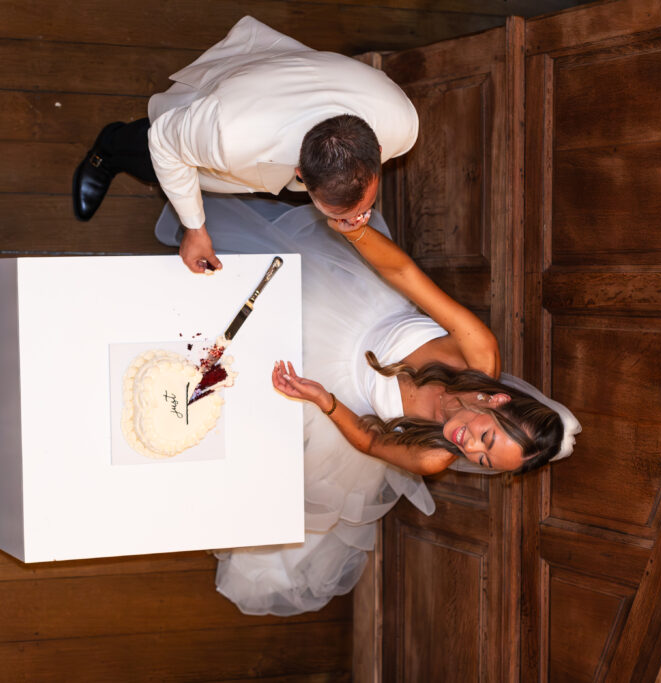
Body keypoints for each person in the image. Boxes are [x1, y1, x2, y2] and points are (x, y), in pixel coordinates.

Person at [154, 195, 581, 616]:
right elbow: (404, 272)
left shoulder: (434, 457)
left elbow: (373, 443)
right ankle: (145, 161)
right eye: (486, 438)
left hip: (340, 395)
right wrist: (356, 231)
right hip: (343, 311)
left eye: (484, 461)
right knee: (225, 302)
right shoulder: (478, 353)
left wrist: (325, 400)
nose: (470, 449)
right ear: (498, 400)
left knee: (208, 386)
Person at [73, 15, 418, 273]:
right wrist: (195, 229)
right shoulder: (229, 132)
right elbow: (166, 141)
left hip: (299, 80)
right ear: (300, 173)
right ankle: (106, 149)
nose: (359, 217)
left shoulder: (401, 125)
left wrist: (352, 210)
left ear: (379, 152)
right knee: (148, 151)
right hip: (238, 98)